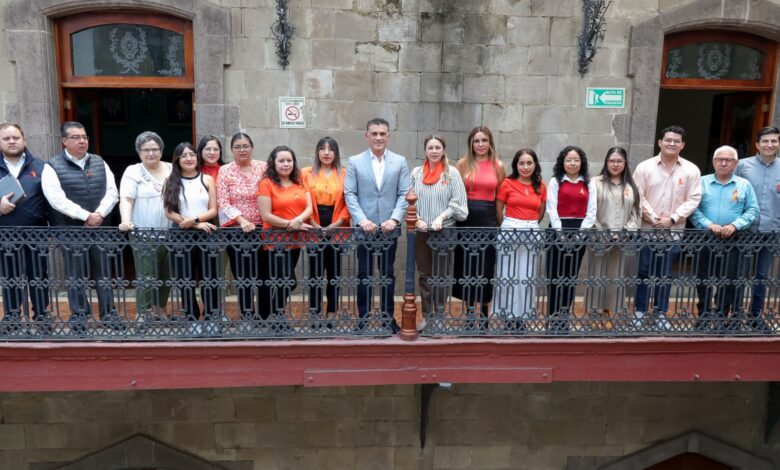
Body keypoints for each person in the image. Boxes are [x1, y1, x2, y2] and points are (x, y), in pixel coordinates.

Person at [42, 121, 120, 333]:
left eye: (84, 137)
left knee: (104, 273)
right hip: (70, 230)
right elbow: (56, 199)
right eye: (76, 137)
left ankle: (109, 314)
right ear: (64, 141)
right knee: (75, 275)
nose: (82, 141)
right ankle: (79, 316)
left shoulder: (99, 162)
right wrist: (86, 216)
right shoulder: (52, 166)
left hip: (100, 227)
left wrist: (99, 214)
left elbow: (112, 192)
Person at [344, 117, 410, 333]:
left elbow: (404, 193)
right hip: (365, 229)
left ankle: (387, 319)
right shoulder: (355, 161)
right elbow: (350, 193)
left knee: (387, 276)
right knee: (364, 275)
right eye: (374, 133)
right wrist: (362, 220)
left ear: (388, 136)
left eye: (382, 133)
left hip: (389, 229)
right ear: (367, 136)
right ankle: (363, 319)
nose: (378, 137)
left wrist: (395, 219)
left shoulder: (399, 161)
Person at [632, 125, 701, 330]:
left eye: (676, 141)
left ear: (683, 145)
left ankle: (660, 313)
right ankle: (640, 311)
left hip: (673, 232)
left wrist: (672, 219)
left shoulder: (691, 170)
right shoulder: (644, 167)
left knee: (665, 274)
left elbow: (694, 199)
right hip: (647, 230)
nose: (672, 143)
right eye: (668, 140)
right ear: (659, 142)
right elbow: (638, 195)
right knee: (644, 272)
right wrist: (654, 218)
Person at [691, 146, 759, 332]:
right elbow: (692, 208)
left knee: (728, 279)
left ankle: (722, 316)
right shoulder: (701, 182)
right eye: (719, 159)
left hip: (734, 240)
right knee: (703, 279)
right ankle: (704, 316)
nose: (723, 163)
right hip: (706, 238)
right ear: (713, 161)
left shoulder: (744, 185)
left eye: (728, 160)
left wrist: (735, 225)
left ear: (735, 163)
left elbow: (753, 210)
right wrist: (708, 224)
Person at [410, 135, 468, 331]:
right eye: (430, 147)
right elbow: (409, 200)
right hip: (422, 231)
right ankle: (427, 316)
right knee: (425, 275)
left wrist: (441, 218)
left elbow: (458, 203)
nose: (434, 151)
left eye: (437, 147)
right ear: (425, 150)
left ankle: (440, 315)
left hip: (444, 232)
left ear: (443, 150)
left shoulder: (452, 173)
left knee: (442, 275)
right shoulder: (416, 173)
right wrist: (417, 219)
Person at [162, 143, 220, 332]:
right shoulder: (170, 181)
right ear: (177, 160)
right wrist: (194, 224)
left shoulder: (207, 179)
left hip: (206, 234)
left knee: (209, 278)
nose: (189, 158)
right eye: (184, 156)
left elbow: (213, 210)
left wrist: (195, 221)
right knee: (184, 279)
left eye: (192, 155)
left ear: (197, 157)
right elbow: (169, 212)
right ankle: (191, 318)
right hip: (181, 235)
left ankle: (211, 317)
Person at [452, 126, 505, 329]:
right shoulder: (462, 164)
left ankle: (483, 314)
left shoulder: (498, 165)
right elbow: (456, 193)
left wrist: (499, 221)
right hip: (466, 218)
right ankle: (468, 315)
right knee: (467, 266)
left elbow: (500, 197)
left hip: (488, 219)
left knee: (485, 268)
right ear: (471, 143)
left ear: (490, 142)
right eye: (476, 141)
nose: (480, 144)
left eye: (484, 140)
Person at [0, 122, 51, 333]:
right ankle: (12, 318)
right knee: (9, 278)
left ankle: (42, 317)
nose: (12, 141)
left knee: (38, 277)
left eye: (16, 137)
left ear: (24, 139)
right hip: (5, 235)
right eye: (6, 138)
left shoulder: (42, 167)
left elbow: (52, 201)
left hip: (36, 234)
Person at [118, 131, 172, 321]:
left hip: (170, 232)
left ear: (161, 151)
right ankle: (143, 312)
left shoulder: (172, 169)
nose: (151, 153)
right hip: (143, 233)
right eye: (146, 150)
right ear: (139, 152)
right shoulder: (133, 171)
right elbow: (126, 199)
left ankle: (161, 309)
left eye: (155, 149)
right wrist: (125, 220)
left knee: (167, 274)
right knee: (146, 276)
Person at [216, 133, 269, 323]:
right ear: (232, 150)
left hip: (263, 229)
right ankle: (247, 316)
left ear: (252, 147)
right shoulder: (225, 171)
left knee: (264, 275)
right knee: (242, 276)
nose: (242, 150)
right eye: (237, 147)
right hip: (237, 232)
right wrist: (241, 220)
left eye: (245, 145)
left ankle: (264, 316)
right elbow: (223, 202)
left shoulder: (264, 167)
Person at [258, 146, 314, 324]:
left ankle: (275, 317)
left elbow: (309, 208)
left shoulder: (300, 181)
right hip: (275, 240)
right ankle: (276, 316)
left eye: (289, 160)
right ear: (273, 163)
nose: (286, 164)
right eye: (281, 161)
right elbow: (266, 215)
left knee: (283, 281)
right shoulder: (266, 183)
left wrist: (298, 221)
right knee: (288, 281)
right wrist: (290, 224)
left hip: (295, 240)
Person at [492, 148, 546, 333]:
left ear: (535, 164)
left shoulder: (540, 186)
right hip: (510, 229)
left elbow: (540, 212)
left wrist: (528, 224)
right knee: (507, 274)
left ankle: (522, 317)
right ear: (516, 165)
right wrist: (509, 226)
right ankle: (507, 316)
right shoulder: (507, 183)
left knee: (526, 275)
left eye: (529, 163)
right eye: (521, 163)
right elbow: (498, 210)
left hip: (531, 230)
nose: (525, 167)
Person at [545, 145, 597, 333]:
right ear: (563, 162)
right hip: (557, 231)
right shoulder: (556, 181)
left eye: (576, 160)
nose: (572, 163)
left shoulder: (589, 183)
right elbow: (551, 209)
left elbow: (591, 212)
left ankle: (564, 317)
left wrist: (579, 236)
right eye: (569, 160)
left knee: (570, 276)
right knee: (554, 276)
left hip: (579, 231)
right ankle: (552, 317)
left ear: (581, 162)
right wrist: (561, 235)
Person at [734, 126, 780, 333]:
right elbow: (732, 193)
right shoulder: (743, 166)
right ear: (757, 145)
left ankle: (755, 317)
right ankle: (735, 317)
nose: (770, 145)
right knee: (739, 274)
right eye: (765, 141)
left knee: (762, 277)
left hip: (772, 231)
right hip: (745, 231)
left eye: (774, 141)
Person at [301, 137, 350, 325]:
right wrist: (313, 223)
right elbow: (302, 200)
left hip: (337, 225)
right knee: (315, 274)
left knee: (334, 274)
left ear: (336, 153)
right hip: (313, 223)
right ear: (317, 152)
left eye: (331, 149)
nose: (327, 153)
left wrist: (337, 223)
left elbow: (350, 201)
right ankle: (314, 313)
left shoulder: (345, 173)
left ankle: (331, 311)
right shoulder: (305, 173)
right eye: (322, 148)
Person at [591, 146, 641, 319]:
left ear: (625, 163)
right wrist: (599, 231)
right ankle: (595, 310)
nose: (615, 164)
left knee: (616, 274)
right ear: (606, 162)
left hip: (621, 238)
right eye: (612, 161)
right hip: (599, 237)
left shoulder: (632, 185)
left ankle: (615, 310)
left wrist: (627, 230)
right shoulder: (595, 182)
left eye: (619, 161)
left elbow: (636, 211)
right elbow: (590, 210)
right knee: (597, 274)